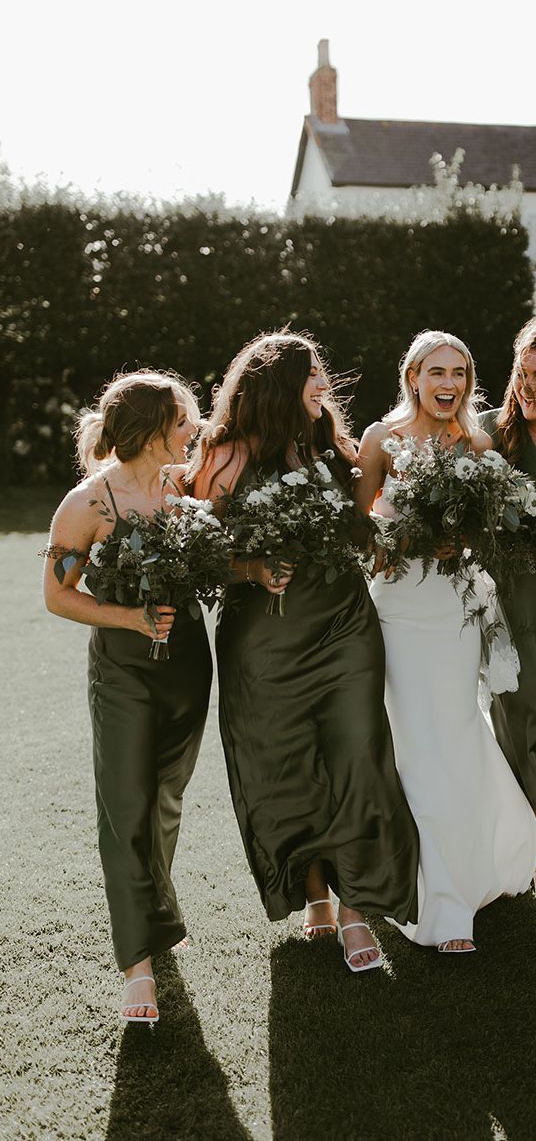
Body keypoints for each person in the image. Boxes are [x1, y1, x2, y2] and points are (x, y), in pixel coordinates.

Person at [191, 330, 419, 973]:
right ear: (277, 384)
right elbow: (198, 551)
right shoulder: (226, 456)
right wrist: (252, 567)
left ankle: (356, 910)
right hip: (263, 640)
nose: (325, 381)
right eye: (313, 372)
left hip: (345, 625)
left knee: (359, 757)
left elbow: (365, 522)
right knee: (284, 769)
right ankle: (313, 891)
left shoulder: (328, 449)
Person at [356, 329, 536, 953]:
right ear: (413, 377)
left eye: (459, 373)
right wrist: (401, 538)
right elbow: (360, 531)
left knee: (459, 732)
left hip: (457, 611)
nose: (449, 384)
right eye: (437, 372)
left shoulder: (478, 443)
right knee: (415, 745)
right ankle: (440, 900)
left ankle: (483, 862)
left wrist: (461, 539)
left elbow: (490, 533)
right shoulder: (382, 440)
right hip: (401, 611)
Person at [43, 370, 212, 1022]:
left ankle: (159, 911)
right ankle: (137, 964)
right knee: (126, 804)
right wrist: (130, 619)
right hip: (123, 671)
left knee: (168, 795)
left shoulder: (184, 489)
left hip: (189, 662)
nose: (192, 430)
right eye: (182, 420)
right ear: (148, 430)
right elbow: (57, 594)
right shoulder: (87, 505)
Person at [479, 318, 536, 808]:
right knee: (518, 712)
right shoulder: (487, 433)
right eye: (525, 373)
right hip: (511, 597)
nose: (530, 388)